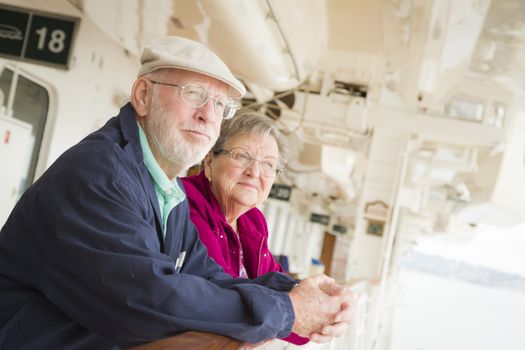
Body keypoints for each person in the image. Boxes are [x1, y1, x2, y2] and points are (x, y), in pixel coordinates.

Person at [0, 36, 353, 349]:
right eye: (194, 95)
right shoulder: (99, 175)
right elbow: (146, 303)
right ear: (143, 95)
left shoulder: (166, 191)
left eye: (220, 105)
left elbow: (208, 277)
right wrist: (289, 310)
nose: (207, 116)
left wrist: (296, 293)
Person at [181, 110, 308, 345]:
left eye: (268, 165)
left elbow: (292, 318)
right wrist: (297, 311)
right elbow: (221, 303)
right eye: (242, 156)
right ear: (209, 161)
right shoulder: (186, 205)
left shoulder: (253, 220)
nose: (254, 172)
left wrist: (317, 304)